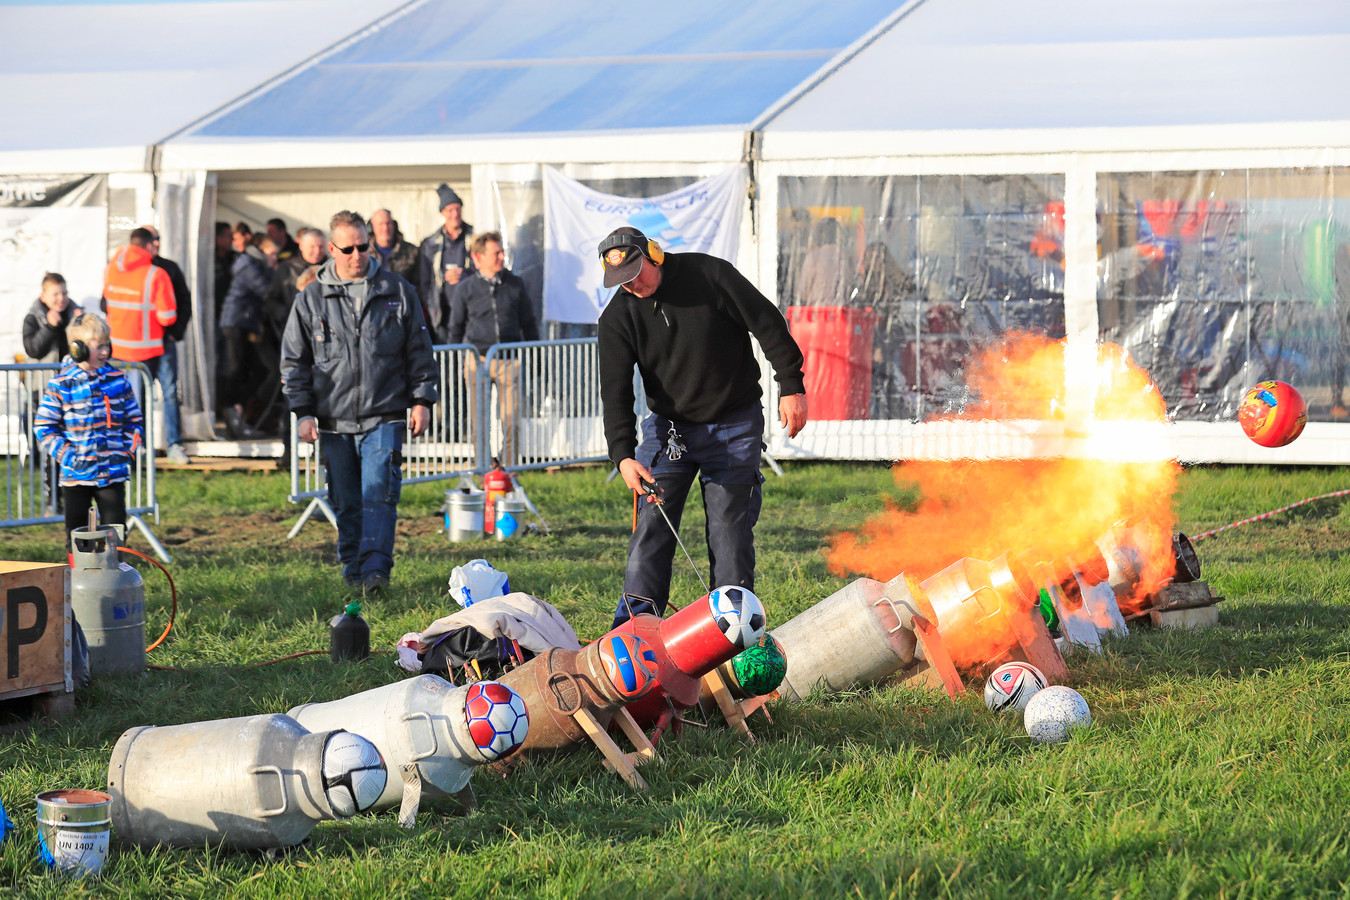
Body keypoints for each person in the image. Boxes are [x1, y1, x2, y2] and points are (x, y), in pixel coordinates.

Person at [597, 226, 808, 629]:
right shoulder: (617, 319)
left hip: (734, 421)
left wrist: (791, 385)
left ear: (653, 254)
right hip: (669, 430)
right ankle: (635, 632)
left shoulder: (710, 275)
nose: (633, 285)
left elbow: (766, 322)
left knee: (730, 534)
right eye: (622, 281)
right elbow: (616, 394)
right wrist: (623, 455)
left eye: (637, 272)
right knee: (651, 530)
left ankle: (731, 632)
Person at [281, 210, 438, 592]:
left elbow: (420, 350)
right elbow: (293, 360)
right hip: (333, 420)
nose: (357, 254)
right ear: (331, 249)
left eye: (363, 245)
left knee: (379, 497)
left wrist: (422, 400)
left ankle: (375, 574)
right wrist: (303, 412)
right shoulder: (310, 298)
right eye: (348, 248)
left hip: (384, 415)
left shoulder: (398, 291)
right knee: (346, 501)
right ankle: (352, 570)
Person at [33, 314, 143, 553]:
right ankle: (78, 582)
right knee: (77, 537)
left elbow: (134, 421)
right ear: (78, 348)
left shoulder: (118, 380)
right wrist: (69, 456)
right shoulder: (62, 384)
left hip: (112, 473)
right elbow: (43, 426)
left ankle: (115, 580)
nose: (105, 351)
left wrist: (126, 452)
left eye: (106, 345)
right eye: (98, 346)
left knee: (115, 532)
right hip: (76, 476)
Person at [446, 231, 540, 465]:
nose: (501, 257)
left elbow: (529, 323)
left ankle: (509, 474)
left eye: (502, 252)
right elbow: (455, 328)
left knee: (512, 422)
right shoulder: (465, 289)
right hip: (477, 361)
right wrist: (454, 364)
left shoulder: (515, 284)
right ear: (478, 257)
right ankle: (484, 472)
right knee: (480, 422)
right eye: (496, 253)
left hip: (510, 360)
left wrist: (537, 358)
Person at [101, 228, 182, 463]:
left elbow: (106, 302)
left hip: (120, 348)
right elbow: (168, 316)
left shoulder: (111, 269)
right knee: (168, 394)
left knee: (130, 400)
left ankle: (137, 447)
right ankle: (174, 445)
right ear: (148, 246)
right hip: (154, 346)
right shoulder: (157, 274)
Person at [142, 225, 193, 464]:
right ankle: (138, 446)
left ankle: (174, 444)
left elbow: (184, 300)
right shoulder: (128, 271)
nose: (156, 243)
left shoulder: (169, 268)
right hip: (138, 345)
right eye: (151, 239)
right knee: (138, 394)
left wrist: (175, 332)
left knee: (171, 393)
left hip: (163, 343)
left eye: (158, 238)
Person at [219, 235, 277, 439]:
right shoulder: (250, 265)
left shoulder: (251, 263)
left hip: (245, 322)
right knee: (237, 369)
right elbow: (266, 290)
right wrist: (273, 269)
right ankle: (233, 413)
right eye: (272, 253)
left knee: (254, 370)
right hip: (236, 322)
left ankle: (242, 412)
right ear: (261, 250)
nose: (274, 258)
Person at [418, 184, 474, 343]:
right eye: (450, 210)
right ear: (442, 213)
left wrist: (465, 274)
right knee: (447, 357)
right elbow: (425, 282)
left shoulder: (474, 238)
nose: (455, 214)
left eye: (458, 209)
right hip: (443, 313)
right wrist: (431, 308)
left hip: (469, 311)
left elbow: (483, 270)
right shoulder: (431, 243)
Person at [23, 272, 76, 363]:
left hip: (70, 374)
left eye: (64, 293)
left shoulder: (75, 314)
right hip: (45, 376)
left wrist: (81, 324)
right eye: (55, 294)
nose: (61, 298)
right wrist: (50, 327)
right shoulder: (33, 318)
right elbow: (32, 350)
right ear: (43, 296)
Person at [369, 209, 421, 286]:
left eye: (388, 223)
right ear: (372, 227)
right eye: (381, 224)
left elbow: (421, 285)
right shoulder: (363, 252)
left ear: (394, 225)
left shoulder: (412, 251)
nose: (385, 228)